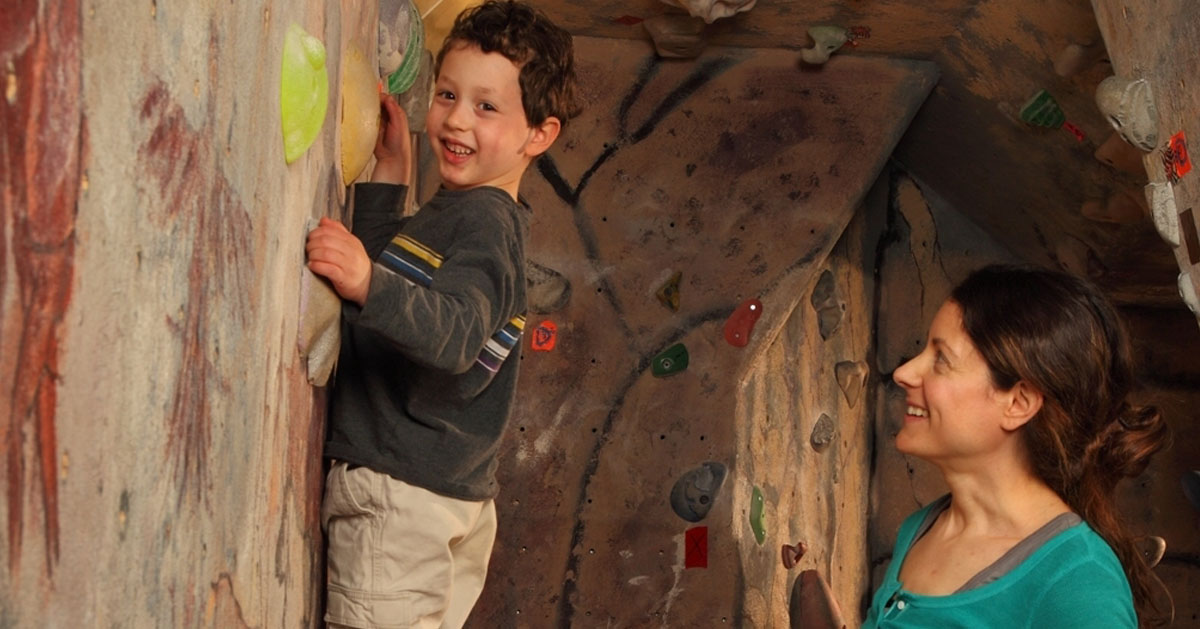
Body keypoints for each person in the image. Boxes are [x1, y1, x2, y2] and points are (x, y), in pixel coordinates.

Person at [304, 2, 579, 627]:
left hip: (403, 498)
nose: (456, 118)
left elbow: (452, 334)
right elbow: (409, 291)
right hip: (450, 498)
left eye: (487, 106)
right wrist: (390, 183)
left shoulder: (482, 222)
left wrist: (367, 280)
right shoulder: (471, 216)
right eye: (449, 93)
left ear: (540, 133)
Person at [864, 264, 1171, 628]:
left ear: (1018, 403)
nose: (904, 373)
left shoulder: (1078, 583)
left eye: (941, 360)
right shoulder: (919, 529)